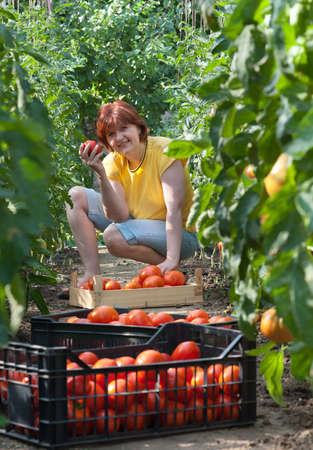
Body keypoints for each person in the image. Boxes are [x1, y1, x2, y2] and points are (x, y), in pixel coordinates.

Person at [65, 100, 199, 288]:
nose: (119, 137)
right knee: (75, 196)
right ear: (107, 142)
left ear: (138, 128)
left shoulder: (165, 151)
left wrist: (172, 257)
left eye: (124, 128)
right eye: (111, 134)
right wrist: (101, 174)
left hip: (181, 236)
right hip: (139, 224)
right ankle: (91, 275)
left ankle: (171, 267)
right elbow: (117, 215)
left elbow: (174, 210)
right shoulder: (113, 162)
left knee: (114, 236)